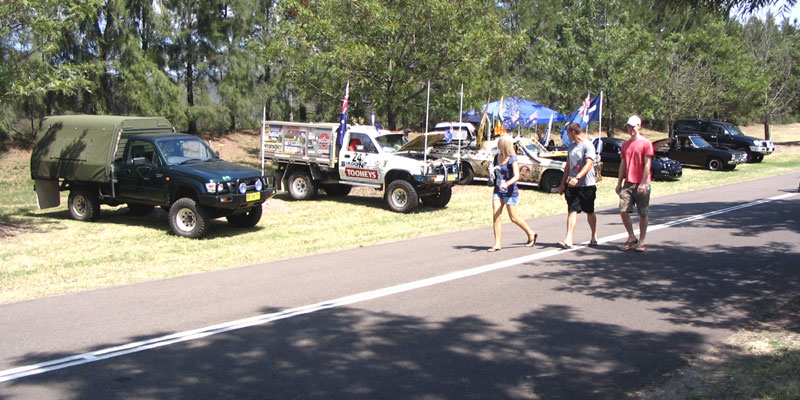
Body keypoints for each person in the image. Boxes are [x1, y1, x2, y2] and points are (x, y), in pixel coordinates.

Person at [488, 136, 537, 252]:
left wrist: (507, 183)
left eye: (500, 143)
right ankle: (497, 243)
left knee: (514, 218)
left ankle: (530, 233)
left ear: (504, 145)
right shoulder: (497, 157)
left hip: (510, 192)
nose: (498, 145)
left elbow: (517, 176)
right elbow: (496, 172)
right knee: (496, 215)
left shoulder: (512, 158)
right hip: (498, 191)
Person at [557, 123, 598, 249]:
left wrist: (578, 177)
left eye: (568, 133)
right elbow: (568, 165)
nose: (567, 135)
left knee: (589, 211)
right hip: (572, 184)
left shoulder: (588, 145)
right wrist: (563, 183)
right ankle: (569, 239)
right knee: (572, 210)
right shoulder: (571, 146)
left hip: (587, 184)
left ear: (573, 132)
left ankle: (594, 235)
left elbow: (589, 164)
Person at [616, 115, 653, 252]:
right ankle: (631, 236)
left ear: (639, 126)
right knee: (623, 210)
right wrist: (619, 183)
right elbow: (623, 164)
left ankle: (641, 241)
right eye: (628, 126)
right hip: (628, 183)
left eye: (633, 126)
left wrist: (643, 183)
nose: (630, 129)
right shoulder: (625, 144)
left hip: (642, 183)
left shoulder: (646, 143)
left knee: (643, 213)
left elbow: (648, 165)